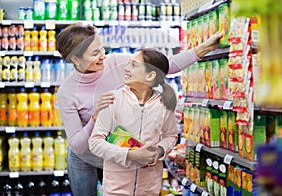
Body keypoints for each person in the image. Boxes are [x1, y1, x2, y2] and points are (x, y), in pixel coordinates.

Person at [56, 23, 222, 196]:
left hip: (119, 144)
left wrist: (205, 47)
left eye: (102, 49)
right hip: (86, 155)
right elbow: (78, 144)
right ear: (75, 59)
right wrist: (96, 116)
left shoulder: (116, 62)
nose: (103, 56)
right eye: (94, 53)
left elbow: (164, 66)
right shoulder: (68, 91)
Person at [89, 48, 179, 195]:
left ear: (150, 76)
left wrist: (160, 150)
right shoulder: (112, 99)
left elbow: (171, 135)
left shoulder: (164, 104)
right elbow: (95, 143)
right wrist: (129, 155)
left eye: (134, 65)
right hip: (116, 191)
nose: (126, 69)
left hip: (149, 189)